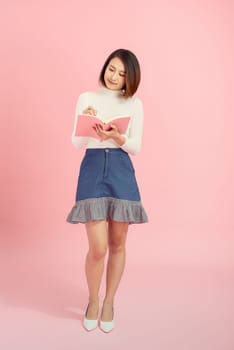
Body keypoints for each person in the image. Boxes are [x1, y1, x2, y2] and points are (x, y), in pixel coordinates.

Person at [66, 48, 148, 333]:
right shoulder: (87, 98)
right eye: (111, 69)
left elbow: (135, 147)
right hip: (91, 169)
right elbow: (77, 143)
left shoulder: (134, 103)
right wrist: (88, 124)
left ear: (130, 78)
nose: (114, 76)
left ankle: (109, 301)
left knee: (118, 244)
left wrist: (117, 136)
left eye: (122, 73)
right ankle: (92, 299)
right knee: (98, 248)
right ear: (105, 67)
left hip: (121, 171)